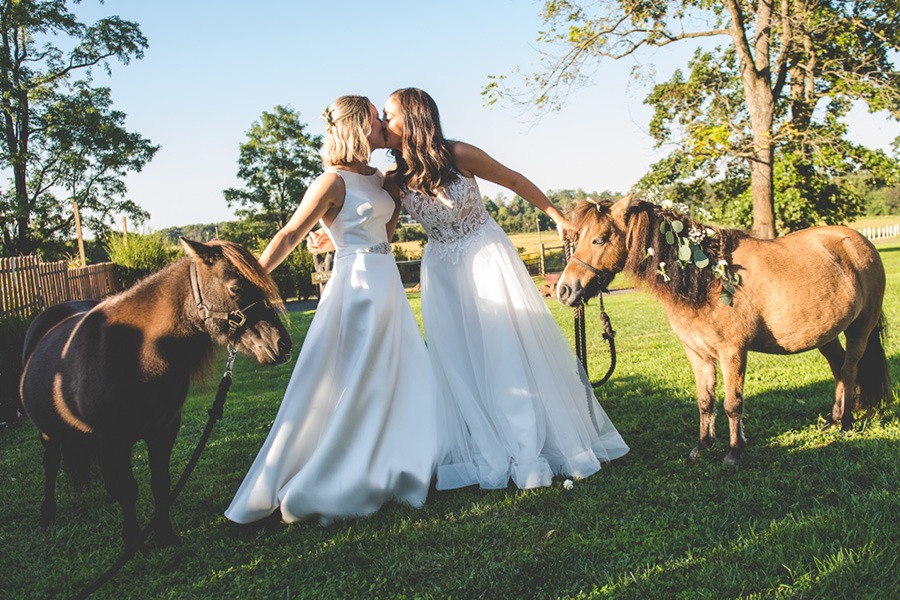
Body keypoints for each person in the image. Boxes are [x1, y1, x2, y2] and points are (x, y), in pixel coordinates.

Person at [381, 87, 629, 490]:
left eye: (389, 114)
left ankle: (529, 450)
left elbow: (512, 179)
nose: (383, 123)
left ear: (413, 118)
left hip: (485, 255)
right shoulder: (395, 181)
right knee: (457, 358)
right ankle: (487, 446)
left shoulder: (458, 154)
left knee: (503, 349)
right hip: (441, 270)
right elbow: (382, 230)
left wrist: (556, 216)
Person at [225, 95, 437, 525]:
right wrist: (255, 279)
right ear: (358, 128)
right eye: (376, 120)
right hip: (355, 285)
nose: (383, 125)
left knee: (393, 373)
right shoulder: (331, 181)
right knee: (353, 378)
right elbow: (290, 233)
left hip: (386, 281)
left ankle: (397, 461)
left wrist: (393, 185)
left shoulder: (378, 177)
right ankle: (335, 472)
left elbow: (386, 230)